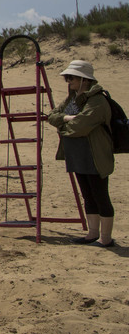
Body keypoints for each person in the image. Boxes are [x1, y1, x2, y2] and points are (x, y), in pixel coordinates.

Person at [47, 60, 116, 248]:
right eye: (67, 78)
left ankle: (106, 238)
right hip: (78, 154)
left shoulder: (97, 100)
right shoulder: (72, 99)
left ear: (84, 80)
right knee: (87, 195)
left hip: (95, 154)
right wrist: (67, 118)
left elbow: (81, 126)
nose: (68, 81)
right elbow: (52, 115)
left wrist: (62, 126)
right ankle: (93, 234)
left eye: (71, 78)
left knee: (100, 195)